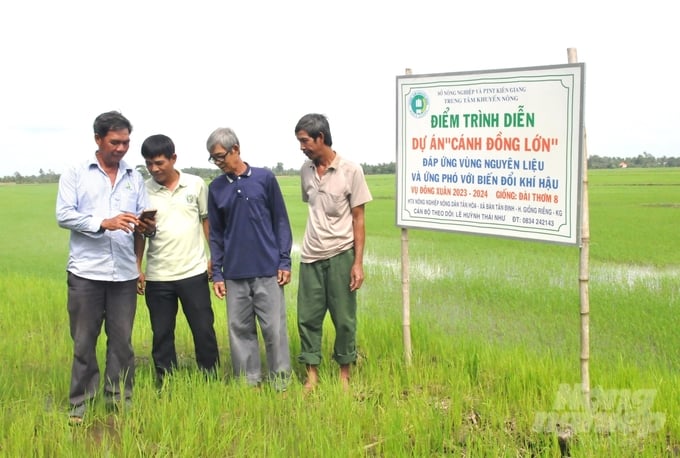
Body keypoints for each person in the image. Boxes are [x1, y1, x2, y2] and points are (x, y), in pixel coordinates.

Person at [56, 111, 154, 424]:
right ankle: (80, 404)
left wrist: (146, 224)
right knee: (84, 341)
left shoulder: (134, 177)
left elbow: (141, 223)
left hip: (124, 274)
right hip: (86, 273)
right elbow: (64, 215)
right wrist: (104, 222)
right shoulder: (75, 173)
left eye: (126, 142)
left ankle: (119, 402)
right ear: (98, 139)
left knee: (122, 342)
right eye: (115, 142)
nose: (122, 148)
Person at [206, 127, 293, 390]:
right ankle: (248, 382)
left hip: (268, 269)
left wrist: (284, 261)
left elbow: (280, 220)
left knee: (274, 330)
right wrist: (218, 273)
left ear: (236, 149)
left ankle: (281, 383)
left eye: (220, 156)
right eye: (213, 158)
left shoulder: (264, 178)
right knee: (239, 330)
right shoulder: (216, 188)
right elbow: (217, 234)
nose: (218, 163)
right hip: (234, 273)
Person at [293, 113, 372, 391]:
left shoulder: (351, 171)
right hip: (311, 256)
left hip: (341, 254)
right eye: (299, 141)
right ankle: (312, 375)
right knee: (308, 317)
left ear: (320, 138)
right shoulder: (306, 172)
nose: (301, 147)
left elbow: (359, 218)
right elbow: (313, 207)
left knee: (344, 318)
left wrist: (357, 263)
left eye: (304, 141)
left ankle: (344, 375)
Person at [136, 134, 220, 385]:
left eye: (159, 162)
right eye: (149, 163)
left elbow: (207, 221)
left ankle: (210, 379)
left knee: (203, 329)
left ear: (173, 158)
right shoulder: (143, 189)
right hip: (158, 275)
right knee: (162, 333)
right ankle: (166, 383)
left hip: (193, 272)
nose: (154, 169)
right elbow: (139, 233)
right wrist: (137, 267)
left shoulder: (195, 185)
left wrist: (214, 256)